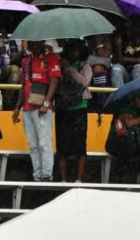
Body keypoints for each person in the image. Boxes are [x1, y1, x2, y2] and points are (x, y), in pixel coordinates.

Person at [12, 41, 60, 182]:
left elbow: (54, 81)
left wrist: (46, 103)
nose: (28, 45)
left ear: (39, 43)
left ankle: (47, 175)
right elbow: (23, 86)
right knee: (33, 145)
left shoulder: (51, 58)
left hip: (41, 108)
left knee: (44, 143)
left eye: (31, 43)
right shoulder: (26, 61)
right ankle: (37, 176)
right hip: (27, 108)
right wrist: (16, 107)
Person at [55, 39, 91, 183]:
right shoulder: (60, 65)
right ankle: (63, 179)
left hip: (80, 109)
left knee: (80, 146)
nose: (74, 53)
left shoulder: (85, 66)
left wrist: (69, 69)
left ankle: (79, 179)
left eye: (77, 50)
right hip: (63, 108)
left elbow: (84, 82)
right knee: (62, 146)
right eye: (72, 49)